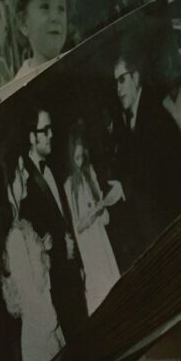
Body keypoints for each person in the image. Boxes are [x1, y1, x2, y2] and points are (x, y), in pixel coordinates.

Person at [110, 48, 181, 269]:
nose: (118, 90)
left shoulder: (153, 112)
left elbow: (160, 171)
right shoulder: (135, 115)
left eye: (121, 80)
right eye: (115, 83)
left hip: (174, 220)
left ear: (136, 77)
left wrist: (125, 189)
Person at [21, 104, 88, 341]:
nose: (51, 134)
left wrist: (78, 263)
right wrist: (63, 250)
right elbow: (37, 242)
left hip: (71, 274)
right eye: (44, 130)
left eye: (51, 129)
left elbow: (65, 221)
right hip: (57, 283)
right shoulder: (26, 184)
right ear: (31, 137)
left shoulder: (51, 169)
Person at [0, 146, 63, 361]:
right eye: (19, 171)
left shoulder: (21, 228)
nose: (26, 174)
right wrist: (53, 328)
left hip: (45, 325)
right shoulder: (14, 237)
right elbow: (31, 298)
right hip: (41, 333)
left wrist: (41, 249)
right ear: (9, 184)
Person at [64, 123, 122, 315]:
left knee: (115, 287)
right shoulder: (68, 186)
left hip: (102, 243)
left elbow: (106, 219)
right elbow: (77, 227)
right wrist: (89, 217)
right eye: (76, 158)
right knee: (100, 297)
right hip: (89, 251)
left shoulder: (91, 175)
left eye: (83, 157)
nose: (80, 162)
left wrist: (103, 208)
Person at [12, 0, 77, 79]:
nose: (55, 18)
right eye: (45, 6)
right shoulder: (22, 84)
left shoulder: (76, 66)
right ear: (23, 22)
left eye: (61, 8)